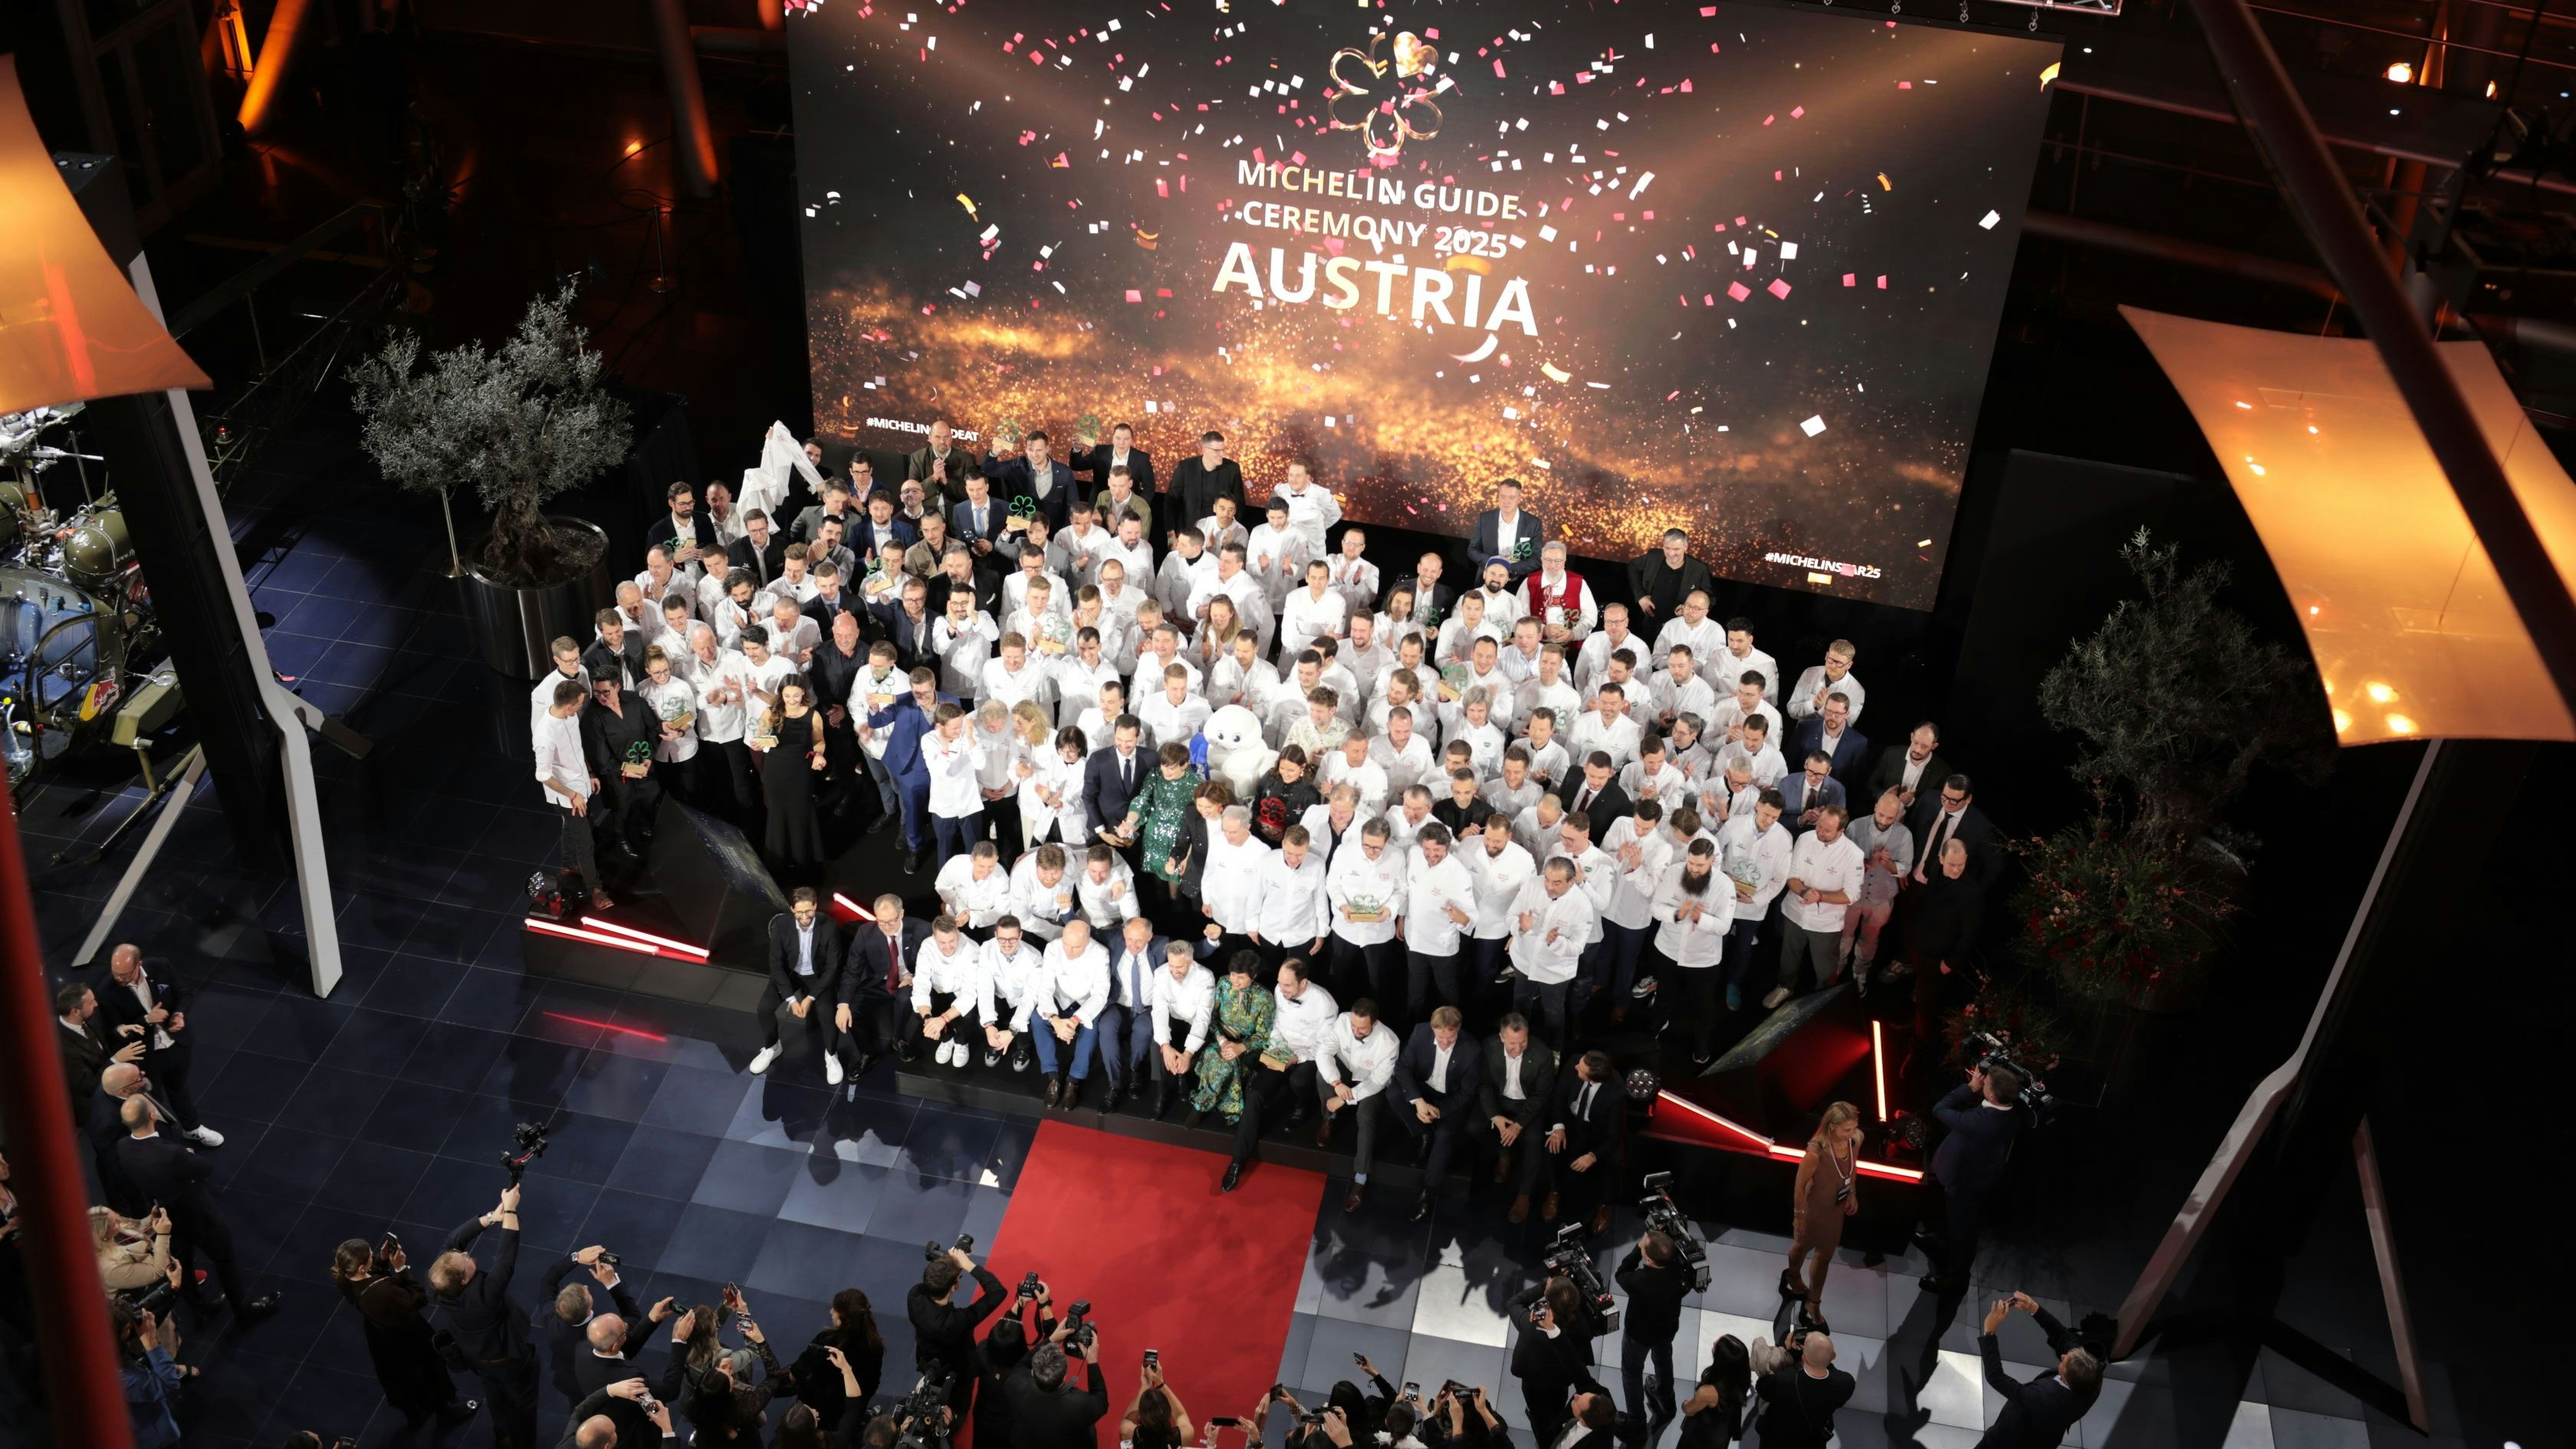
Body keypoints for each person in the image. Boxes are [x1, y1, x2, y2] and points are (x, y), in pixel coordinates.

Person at [115, 1094, 278, 1319]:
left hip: (166, 1217)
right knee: (225, 1259)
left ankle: (199, 1310)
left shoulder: (123, 1146)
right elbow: (205, 1168)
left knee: (182, 1263)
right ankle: (242, 1311)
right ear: (152, 1115)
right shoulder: (172, 1153)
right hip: (198, 1214)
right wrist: (187, 1158)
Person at [428, 1184, 537, 1449]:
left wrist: (492, 1217)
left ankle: (502, 1433)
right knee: (524, 1403)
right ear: (465, 1278)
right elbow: (505, 1260)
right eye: (466, 1260)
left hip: (478, 1357)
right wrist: (510, 1209)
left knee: (494, 1392)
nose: (467, 1254)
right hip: (508, 1359)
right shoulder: (485, 1297)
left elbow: (452, 1242)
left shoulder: (440, 1285)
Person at [335, 1237, 475, 1427]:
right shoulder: (384, 1291)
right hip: (407, 1335)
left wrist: (383, 1261)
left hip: (381, 1335)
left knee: (400, 1377)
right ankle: (445, 1412)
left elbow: (373, 1277)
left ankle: (415, 1412)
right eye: (371, 1256)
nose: (374, 1257)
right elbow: (418, 1299)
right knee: (429, 1370)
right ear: (361, 1269)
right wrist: (401, 1269)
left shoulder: (346, 1280)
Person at [1919, 1063, 2029, 1295]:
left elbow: (1940, 1108)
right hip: (1975, 1174)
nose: (1981, 1083)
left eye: (1984, 1084)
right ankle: (1940, 1239)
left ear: (1990, 1093)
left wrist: (1969, 1087)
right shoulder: (2012, 1113)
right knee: (1952, 1220)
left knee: (1963, 1234)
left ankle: (1954, 1278)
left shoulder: (1979, 1122)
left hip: (1965, 1184)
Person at [93, 945, 219, 1148]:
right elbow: (114, 1031)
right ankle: (164, 1145)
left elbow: (184, 994)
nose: (119, 979)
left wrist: (179, 1014)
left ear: (138, 965)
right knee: (153, 1103)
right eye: (116, 974)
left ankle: (192, 1128)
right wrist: (146, 1020)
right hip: (146, 1056)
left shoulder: (160, 966)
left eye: (124, 974)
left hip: (176, 1042)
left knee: (178, 1088)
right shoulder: (106, 991)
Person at [1763, 803, 1863, 1009]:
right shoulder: (1805, 838)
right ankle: (1785, 986)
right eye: (1819, 826)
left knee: (1825, 970)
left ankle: (1821, 1003)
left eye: (1827, 830)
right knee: (1788, 955)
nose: (1820, 832)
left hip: (1826, 923)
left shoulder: (1853, 854)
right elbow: (1792, 876)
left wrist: (1820, 897)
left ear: (1841, 831)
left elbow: (1852, 894)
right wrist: (1804, 892)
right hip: (1794, 911)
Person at [1975, 1292, 2103, 1449]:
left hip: (2010, 1441)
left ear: (2065, 1379)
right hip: (2046, 1438)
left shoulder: (2045, 1402)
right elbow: (2063, 1336)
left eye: (2064, 1362)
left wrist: (1990, 1331)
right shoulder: (2091, 1375)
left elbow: (1996, 1377)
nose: (2062, 1356)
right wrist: (2034, 1308)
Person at [1388, 1005, 1482, 1221]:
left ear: (1458, 1030)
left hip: (1451, 1099)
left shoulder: (1472, 1050)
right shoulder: (1420, 1032)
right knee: (1394, 1093)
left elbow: (1467, 1093)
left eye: (1451, 1038)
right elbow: (1402, 1068)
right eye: (1441, 1037)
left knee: (1444, 1135)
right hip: (1425, 1090)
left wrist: (1439, 1112)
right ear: (1433, 1029)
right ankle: (1422, 1132)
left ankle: (1429, 1190)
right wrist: (1419, 1102)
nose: (1445, 1042)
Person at [1313, 998, 1399, 1212]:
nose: (1356, 1031)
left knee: (1366, 1118)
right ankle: (1329, 1118)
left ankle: (1360, 1179)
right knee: (1321, 1075)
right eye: (1354, 1025)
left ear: (1375, 1023)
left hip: (1369, 1082)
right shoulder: (1343, 1021)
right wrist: (1336, 1083)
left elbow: (1378, 1082)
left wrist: (1344, 1097)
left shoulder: (1389, 1042)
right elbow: (1323, 1052)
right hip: (1345, 1071)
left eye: (1362, 1028)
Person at [754, 888, 848, 1083]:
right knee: (764, 1008)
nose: (804, 917)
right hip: (790, 974)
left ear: (815, 906)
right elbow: (776, 964)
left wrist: (810, 997)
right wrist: (791, 998)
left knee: (826, 1014)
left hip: (818, 976)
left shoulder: (829, 926)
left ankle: (831, 1055)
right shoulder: (781, 925)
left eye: (809, 911)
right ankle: (772, 1046)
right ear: (792, 909)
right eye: (799, 912)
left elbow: (833, 967)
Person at [534, 677, 613, 908]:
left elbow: (576, 750)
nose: (581, 707)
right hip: (568, 796)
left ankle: (568, 865)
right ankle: (595, 889)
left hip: (581, 785)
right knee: (585, 840)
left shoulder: (569, 716)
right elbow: (543, 775)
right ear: (568, 706)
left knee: (571, 827)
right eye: (579, 704)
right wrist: (572, 794)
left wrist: (589, 773)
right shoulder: (544, 736)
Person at [1783, 1102, 1861, 1325]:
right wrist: (1799, 1216)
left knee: (1825, 1255)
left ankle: (1813, 1302)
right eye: (1846, 1129)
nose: (1851, 1133)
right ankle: (1793, 1276)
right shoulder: (1816, 1152)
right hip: (1813, 1210)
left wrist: (1852, 1192)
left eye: (1854, 1127)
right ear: (1832, 1126)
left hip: (1835, 1210)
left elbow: (1853, 1167)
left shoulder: (1855, 1139)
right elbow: (1799, 1185)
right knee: (1802, 1246)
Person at [1612, 1230, 1691, 1441]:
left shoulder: (1639, 1281)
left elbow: (1621, 1273)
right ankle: (1666, 1401)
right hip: (1666, 1330)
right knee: (1663, 1361)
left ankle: (1636, 1423)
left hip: (1638, 1335)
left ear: (1648, 1258)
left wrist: (1637, 1250)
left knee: (1631, 1373)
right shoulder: (1680, 1274)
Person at [1507, 1278, 1606, 1444]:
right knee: (1558, 1407)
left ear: (1549, 1305)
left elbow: (1514, 1303)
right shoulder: (1583, 1326)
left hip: (1535, 1385)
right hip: (1562, 1382)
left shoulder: (1531, 1325)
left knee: (1541, 1421)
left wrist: (1543, 1285)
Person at [909, 1244, 1005, 1414]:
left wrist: (949, 1264)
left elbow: (933, 1281)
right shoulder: (954, 1322)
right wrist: (967, 1264)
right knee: (960, 1399)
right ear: (954, 1286)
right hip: (958, 1368)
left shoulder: (914, 1296)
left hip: (926, 1357)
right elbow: (997, 1292)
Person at [755, 674, 831, 877]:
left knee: (801, 811)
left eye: (796, 695)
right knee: (778, 812)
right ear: (781, 694)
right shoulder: (770, 712)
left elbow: (819, 741)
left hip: (800, 771)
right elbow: (762, 736)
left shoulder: (813, 715)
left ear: (803, 693)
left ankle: (803, 859)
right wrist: (760, 741)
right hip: (775, 771)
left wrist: (819, 755)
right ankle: (778, 860)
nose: (791, 700)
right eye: (787, 695)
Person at [1541, 1050, 1621, 1234]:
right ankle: (1554, 1191)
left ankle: (1605, 1205)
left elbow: (1614, 1135)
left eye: (1581, 1069)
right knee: (1552, 1145)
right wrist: (1558, 1127)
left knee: (1613, 1161)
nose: (1576, 1066)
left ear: (1592, 1079)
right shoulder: (1575, 1062)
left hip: (1597, 1131)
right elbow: (1558, 1097)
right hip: (1571, 1120)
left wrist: (1593, 1156)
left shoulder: (1616, 1092)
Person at [1751, 1331, 1852, 1449]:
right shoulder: (1846, 1383)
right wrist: (1821, 1357)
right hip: (1813, 1441)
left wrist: (1793, 1353)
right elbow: (1829, 1372)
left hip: (1778, 1439)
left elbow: (1762, 1388)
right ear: (1834, 1356)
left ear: (1804, 1358)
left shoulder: (1783, 1379)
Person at [111, 1299, 184, 1449]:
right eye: (126, 1328)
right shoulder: (124, 1378)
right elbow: (169, 1384)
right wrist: (150, 1342)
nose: (131, 1328)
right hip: (155, 1440)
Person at [1675, 1336, 1751, 1449]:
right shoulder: (1741, 1379)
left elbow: (1689, 1410)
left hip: (1702, 1438)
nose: (1715, 1342)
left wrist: (1685, 1403)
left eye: (1717, 1345)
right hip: (1722, 1433)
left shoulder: (1707, 1392)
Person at [1626, 530, 1713, 626]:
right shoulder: (1653, 556)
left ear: (1685, 547)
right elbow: (1632, 566)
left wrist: (1688, 609)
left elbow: (1710, 597)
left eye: (1676, 549)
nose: (1671, 554)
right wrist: (1640, 597)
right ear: (1663, 545)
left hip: (1679, 626)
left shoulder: (1699, 569)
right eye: (1667, 548)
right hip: (1648, 622)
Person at [1121, 1362, 1196, 1449]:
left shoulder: (1128, 1434)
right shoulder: (1184, 1435)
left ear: (1140, 1416)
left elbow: (1127, 1420)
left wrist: (1144, 1387)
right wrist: (1160, 1382)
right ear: (1168, 1412)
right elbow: (1180, 1415)